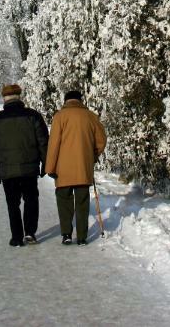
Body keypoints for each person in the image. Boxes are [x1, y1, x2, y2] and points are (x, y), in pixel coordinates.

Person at [0, 83, 49, 247]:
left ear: (5, 99)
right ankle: (30, 232)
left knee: (12, 204)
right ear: (19, 97)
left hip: (7, 169)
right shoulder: (33, 116)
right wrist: (45, 162)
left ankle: (16, 237)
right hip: (29, 168)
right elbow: (43, 141)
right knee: (31, 200)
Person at [45, 89, 107, 246]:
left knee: (64, 201)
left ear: (66, 101)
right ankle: (81, 237)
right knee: (82, 202)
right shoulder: (91, 117)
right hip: (83, 168)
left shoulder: (60, 116)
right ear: (80, 100)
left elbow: (53, 145)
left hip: (62, 169)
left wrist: (50, 167)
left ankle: (66, 233)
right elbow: (101, 141)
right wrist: (92, 156)